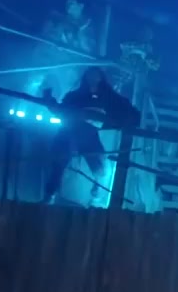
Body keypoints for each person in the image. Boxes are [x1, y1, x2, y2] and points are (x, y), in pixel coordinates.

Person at [44, 67, 139, 207]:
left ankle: (96, 200)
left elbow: (128, 112)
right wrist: (49, 100)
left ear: (101, 78)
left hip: (88, 134)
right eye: (90, 76)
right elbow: (62, 111)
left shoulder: (109, 98)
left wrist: (124, 120)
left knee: (102, 169)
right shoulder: (75, 96)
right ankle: (50, 195)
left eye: (96, 76)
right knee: (58, 162)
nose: (93, 79)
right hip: (69, 132)